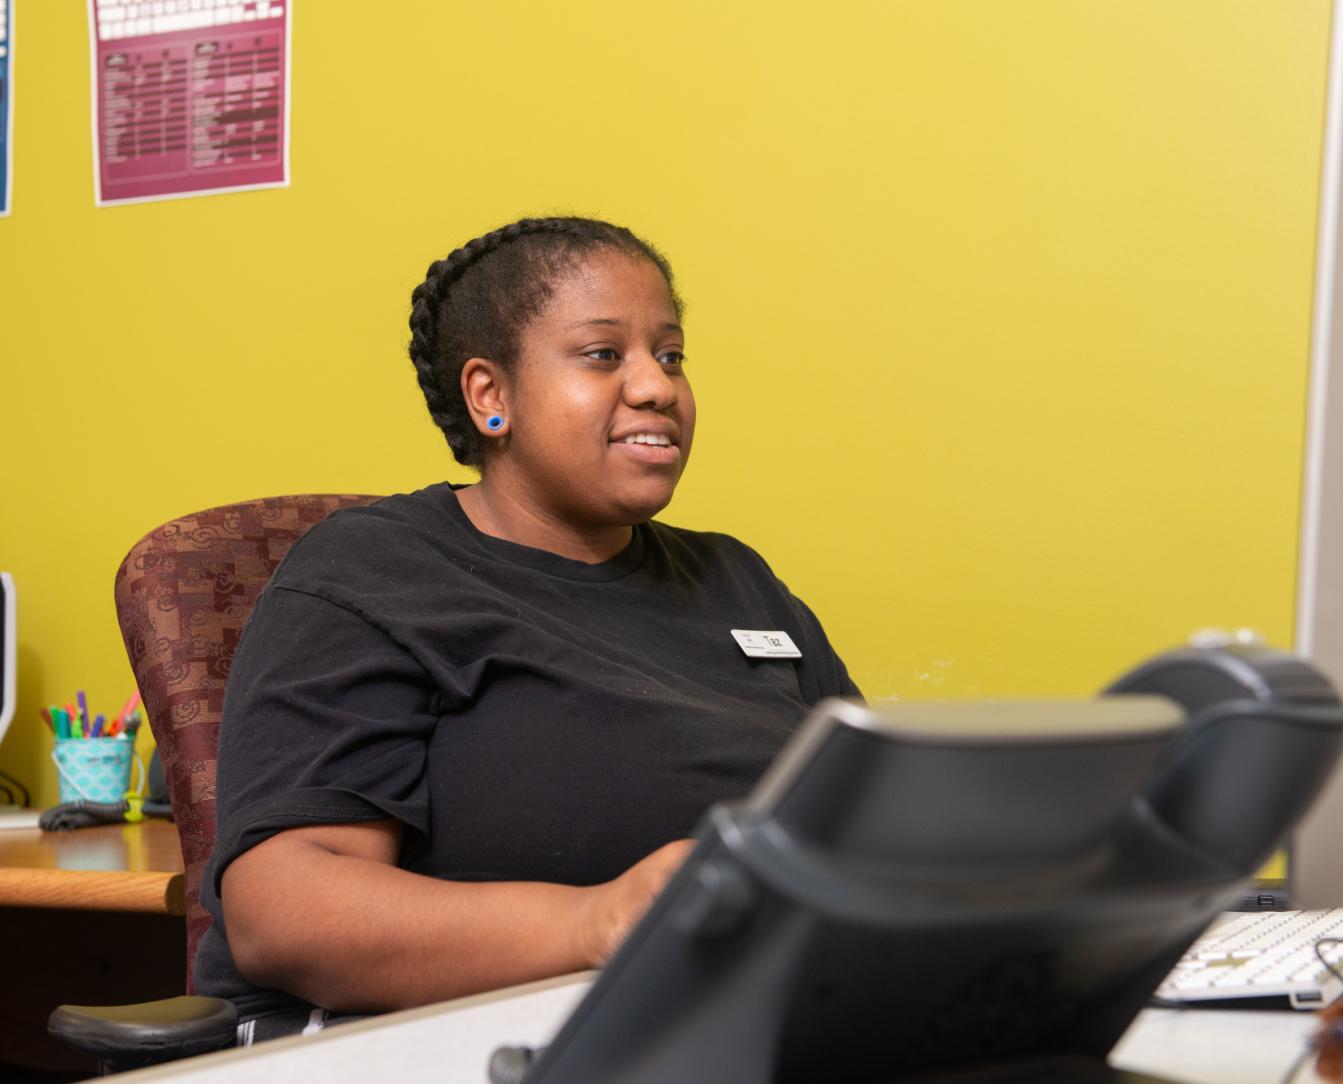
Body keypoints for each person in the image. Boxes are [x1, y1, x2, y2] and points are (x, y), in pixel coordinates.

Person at [194, 216, 860, 1042]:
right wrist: (598, 923)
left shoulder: (737, 580)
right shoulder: (372, 574)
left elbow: (863, 813)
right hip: (465, 1039)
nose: (658, 387)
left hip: (757, 1014)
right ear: (490, 395)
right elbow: (283, 911)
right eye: (604, 354)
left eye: (672, 354)